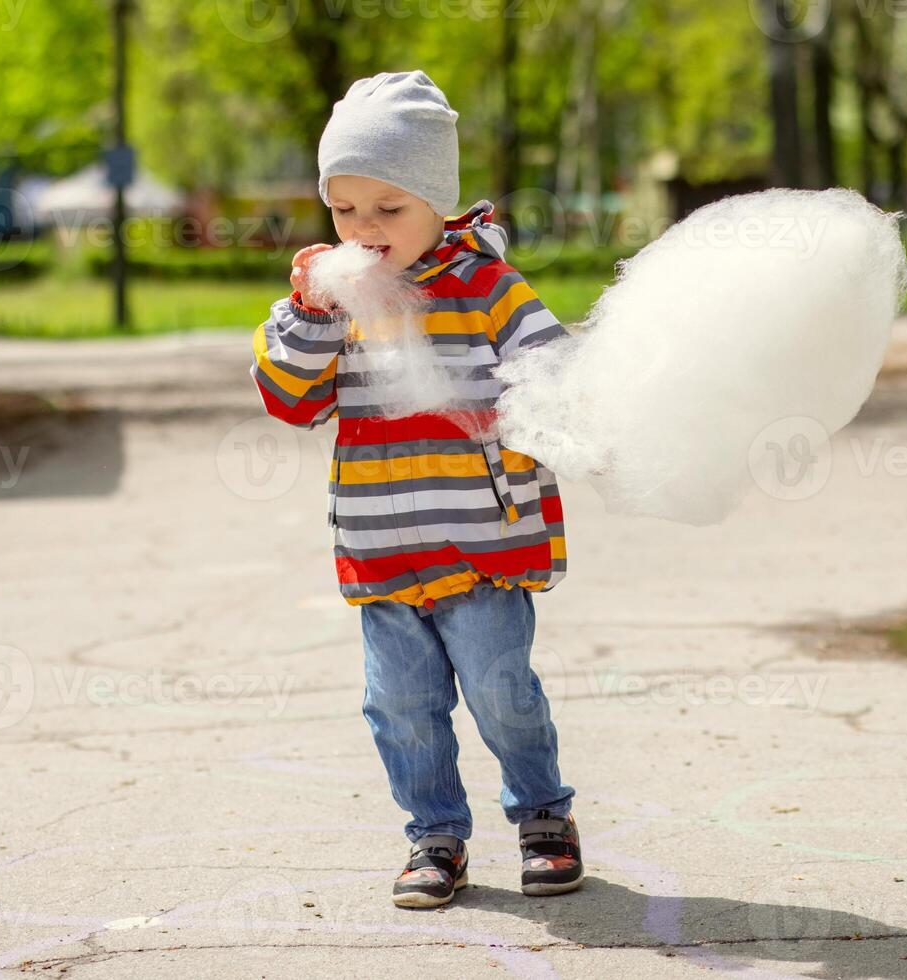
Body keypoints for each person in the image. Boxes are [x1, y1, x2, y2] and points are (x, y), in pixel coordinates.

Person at [249, 70, 581, 910]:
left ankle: (543, 815)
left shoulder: (488, 288)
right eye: (345, 210)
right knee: (400, 706)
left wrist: (576, 420)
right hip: (382, 549)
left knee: (502, 695)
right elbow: (290, 399)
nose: (364, 229)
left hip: (484, 543)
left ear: (440, 200)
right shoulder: (330, 300)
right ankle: (434, 837)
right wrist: (314, 310)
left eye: (388, 208)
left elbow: (559, 376)